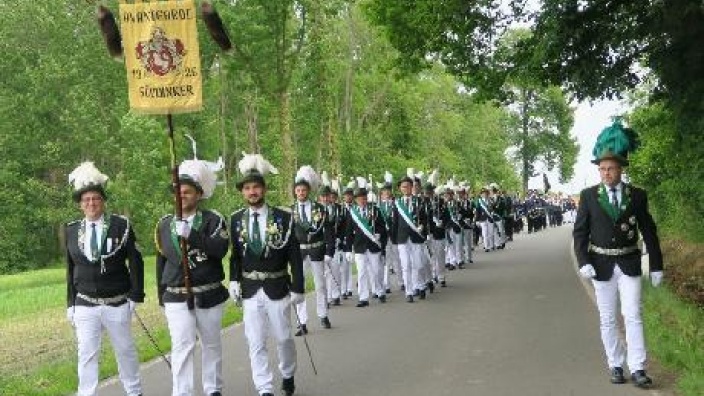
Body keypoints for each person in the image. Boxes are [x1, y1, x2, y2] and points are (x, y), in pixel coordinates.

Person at [573, 120, 664, 388]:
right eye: (602, 169)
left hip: (629, 261)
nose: (605, 173)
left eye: (610, 168)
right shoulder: (588, 196)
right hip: (600, 264)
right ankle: (615, 364)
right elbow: (580, 233)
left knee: (633, 314)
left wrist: (656, 265)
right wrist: (583, 261)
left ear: (621, 169)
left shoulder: (637, 196)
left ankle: (638, 368)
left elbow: (649, 231)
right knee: (608, 318)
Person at [65, 162, 144, 396]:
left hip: (117, 301)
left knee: (125, 350)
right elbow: (69, 270)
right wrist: (70, 303)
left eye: (96, 199)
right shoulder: (71, 230)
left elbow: (136, 262)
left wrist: (136, 295)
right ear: (80, 204)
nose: (91, 203)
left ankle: (134, 391)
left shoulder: (121, 226)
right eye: (86, 200)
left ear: (103, 201)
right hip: (85, 304)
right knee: (87, 354)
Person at [229, 153, 304, 396]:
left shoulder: (283, 218)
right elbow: (235, 256)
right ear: (243, 192)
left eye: (256, 187)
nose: (252, 192)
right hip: (250, 289)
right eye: (247, 188)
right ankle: (264, 387)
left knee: (283, 338)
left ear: (264, 189)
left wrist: (299, 286)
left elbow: (294, 253)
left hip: (278, 285)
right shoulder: (236, 220)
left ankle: (288, 372)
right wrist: (233, 280)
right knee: (255, 341)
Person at [155, 160, 229, 396]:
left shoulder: (213, 220)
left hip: (209, 292)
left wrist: (193, 236)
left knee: (211, 344)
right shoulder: (164, 224)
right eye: (178, 191)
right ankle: (183, 392)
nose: (182, 195)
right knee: (182, 347)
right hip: (176, 295)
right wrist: (161, 293)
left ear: (199, 195)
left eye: (187, 191)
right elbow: (162, 260)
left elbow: (220, 249)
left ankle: (213, 389)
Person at [291, 166, 334, 335]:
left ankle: (323, 315)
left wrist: (330, 251)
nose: (301, 193)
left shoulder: (320, 208)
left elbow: (329, 231)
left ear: (308, 191)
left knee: (320, 285)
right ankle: (302, 322)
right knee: (299, 287)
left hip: (317, 250)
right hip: (299, 252)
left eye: (304, 190)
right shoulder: (291, 211)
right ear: (295, 192)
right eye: (298, 190)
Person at [343, 177, 388, 306]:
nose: (362, 200)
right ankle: (363, 297)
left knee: (376, 270)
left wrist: (379, 234)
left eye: (364, 198)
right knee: (361, 272)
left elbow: (382, 227)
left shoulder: (375, 210)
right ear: (356, 200)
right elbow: (348, 232)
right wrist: (348, 249)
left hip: (374, 245)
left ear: (367, 198)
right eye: (359, 199)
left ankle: (380, 292)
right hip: (359, 247)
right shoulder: (352, 213)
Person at [391, 172, 428, 302]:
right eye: (403, 187)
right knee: (406, 265)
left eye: (408, 186)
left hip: (416, 236)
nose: (405, 189)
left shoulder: (419, 201)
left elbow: (424, 218)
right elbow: (394, 222)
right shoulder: (397, 203)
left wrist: (423, 228)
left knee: (417, 264)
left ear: (412, 187)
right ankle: (409, 291)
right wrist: (394, 239)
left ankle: (421, 285)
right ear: (400, 189)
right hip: (402, 238)